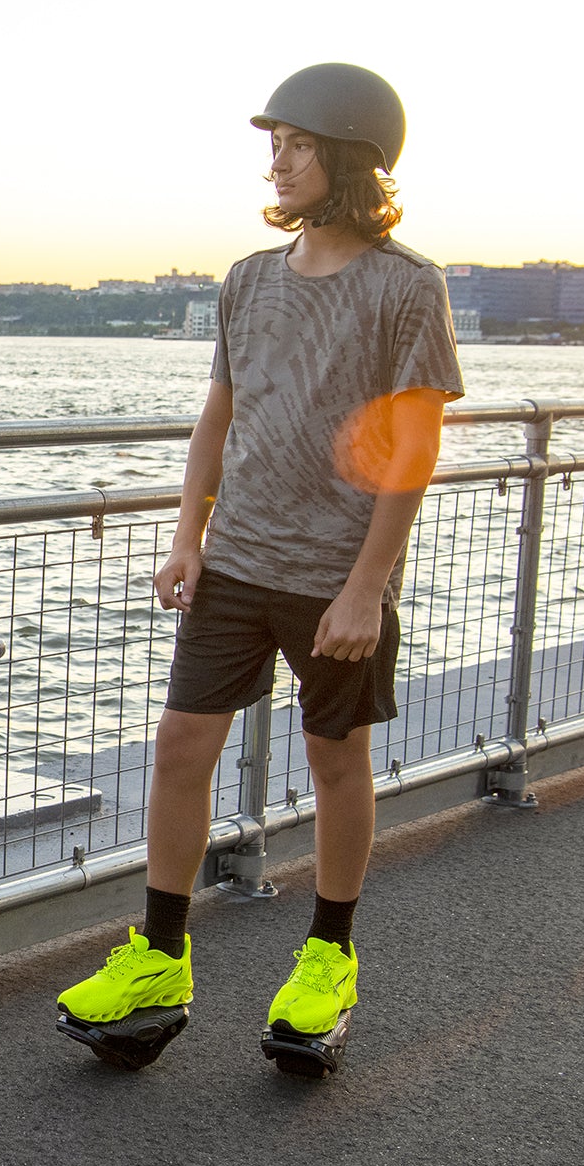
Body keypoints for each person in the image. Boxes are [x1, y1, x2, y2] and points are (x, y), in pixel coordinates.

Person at [57, 65, 465, 1069]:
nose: (274, 160)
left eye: (294, 143)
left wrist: (368, 586)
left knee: (335, 762)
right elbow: (218, 418)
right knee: (179, 745)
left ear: (350, 157)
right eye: (273, 143)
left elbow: (412, 452)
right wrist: (187, 535)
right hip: (235, 564)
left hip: (335, 577)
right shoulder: (247, 278)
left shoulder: (408, 285)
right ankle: (159, 953)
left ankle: (328, 958)